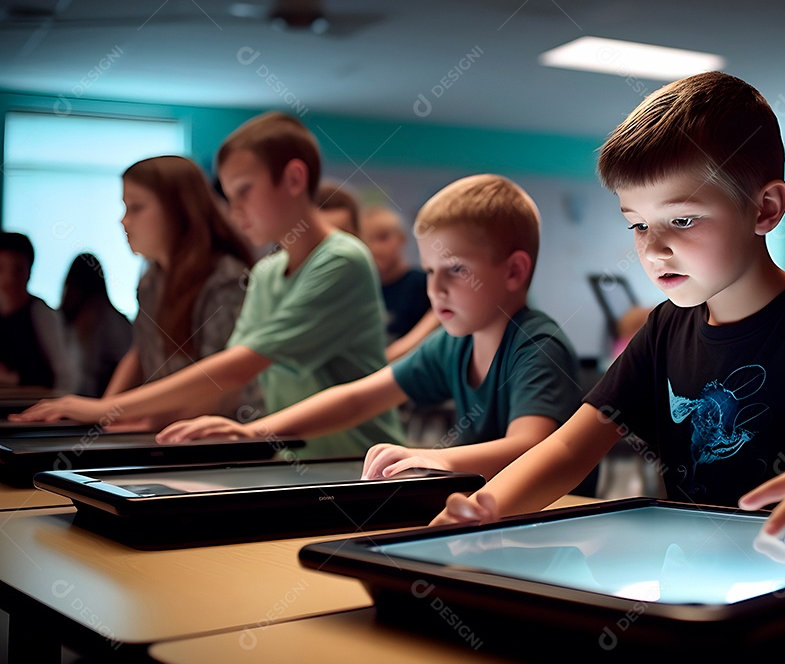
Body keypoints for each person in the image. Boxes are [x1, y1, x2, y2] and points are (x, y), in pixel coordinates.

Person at [433, 72, 785, 548]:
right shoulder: (665, 328)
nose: (653, 247)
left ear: (766, 208)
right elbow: (571, 449)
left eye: (682, 220)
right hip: (697, 585)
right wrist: (486, 509)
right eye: (637, 224)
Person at [13, 112, 403, 459]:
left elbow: (239, 367)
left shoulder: (342, 259)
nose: (234, 209)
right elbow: (227, 366)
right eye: (229, 195)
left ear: (294, 179)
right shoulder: (268, 271)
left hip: (358, 461)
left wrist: (104, 409)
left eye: (244, 190)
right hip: (293, 455)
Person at [158, 174, 583, 485]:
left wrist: (435, 458)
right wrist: (255, 431)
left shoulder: (535, 346)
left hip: (560, 522)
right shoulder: (453, 346)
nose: (435, 289)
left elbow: (531, 447)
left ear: (513, 271)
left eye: (456, 270)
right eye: (430, 270)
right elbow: (357, 397)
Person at [95, 156, 259, 425]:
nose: (124, 221)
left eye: (135, 208)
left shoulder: (226, 280)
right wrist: (102, 414)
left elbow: (223, 387)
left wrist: (143, 423)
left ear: (178, 209)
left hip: (217, 438)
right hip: (168, 433)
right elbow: (142, 349)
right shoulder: (152, 278)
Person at [316, 185, 440, 361]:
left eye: (383, 237)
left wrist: (389, 357)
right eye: (367, 239)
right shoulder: (358, 286)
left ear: (402, 238)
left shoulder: (424, 284)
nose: (375, 247)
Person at [0, 231, 76, 392]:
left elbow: (63, 375)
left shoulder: (41, 313)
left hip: (33, 405)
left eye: (18, 270)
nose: (9, 279)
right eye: (1, 269)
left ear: (29, 271)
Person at [59, 253, 132, 397]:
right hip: (108, 397)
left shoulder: (94, 315)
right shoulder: (112, 316)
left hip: (101, 395)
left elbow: (86, 369)